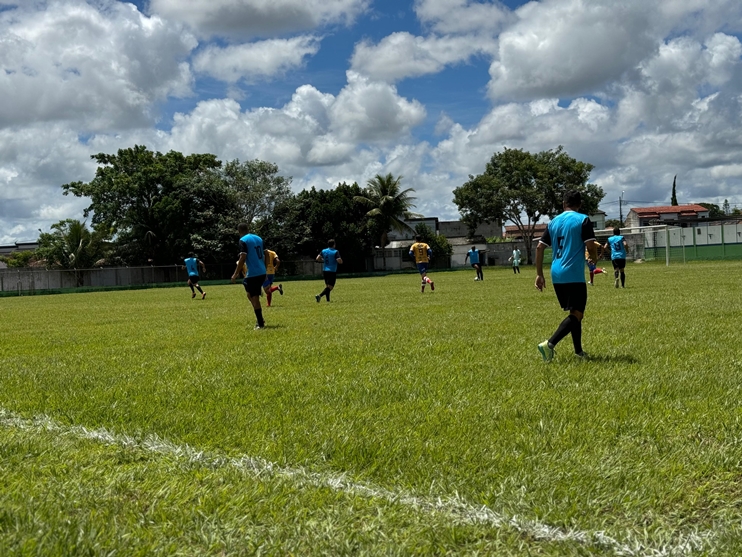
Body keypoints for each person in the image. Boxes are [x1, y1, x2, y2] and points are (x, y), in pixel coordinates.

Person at [535, 191, 599, 362]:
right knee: (577, 314)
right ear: (580, 204)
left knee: (575, 313)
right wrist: (593, 257)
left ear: (564, 204)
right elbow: (590, 245)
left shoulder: (553, 222)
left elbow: (539, 248)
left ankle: (579, 352)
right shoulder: (582, 219)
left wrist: (539, 274)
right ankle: (549, 345)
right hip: (573, 274)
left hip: (556, 273)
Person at [231, 224, 267, 329]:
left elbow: (242, 257)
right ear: (248, 229)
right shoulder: (258, 238)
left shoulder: (243, 240)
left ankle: (260, 323)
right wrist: (265, 269)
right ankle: (260, 317)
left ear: (239, 231)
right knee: (249, 294)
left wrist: (235, 274)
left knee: (254, 298)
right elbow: (267, 254)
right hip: (261, 272)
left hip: (253, 273)